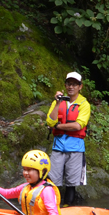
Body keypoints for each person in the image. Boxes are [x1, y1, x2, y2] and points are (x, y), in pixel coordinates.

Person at [45, 71, 90, 206]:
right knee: (53, 181)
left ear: (80, 86)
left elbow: (78, 125)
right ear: (65, 85)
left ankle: (69, 207)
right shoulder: (58, 102)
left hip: (75, 147)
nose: (71, 87)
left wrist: (59, 125)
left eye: (74, 84)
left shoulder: (84, 104)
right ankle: (53, 208)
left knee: (72, 183)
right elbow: (50, 121)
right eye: (69, 84)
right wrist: (58, 103)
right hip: (58, 146)